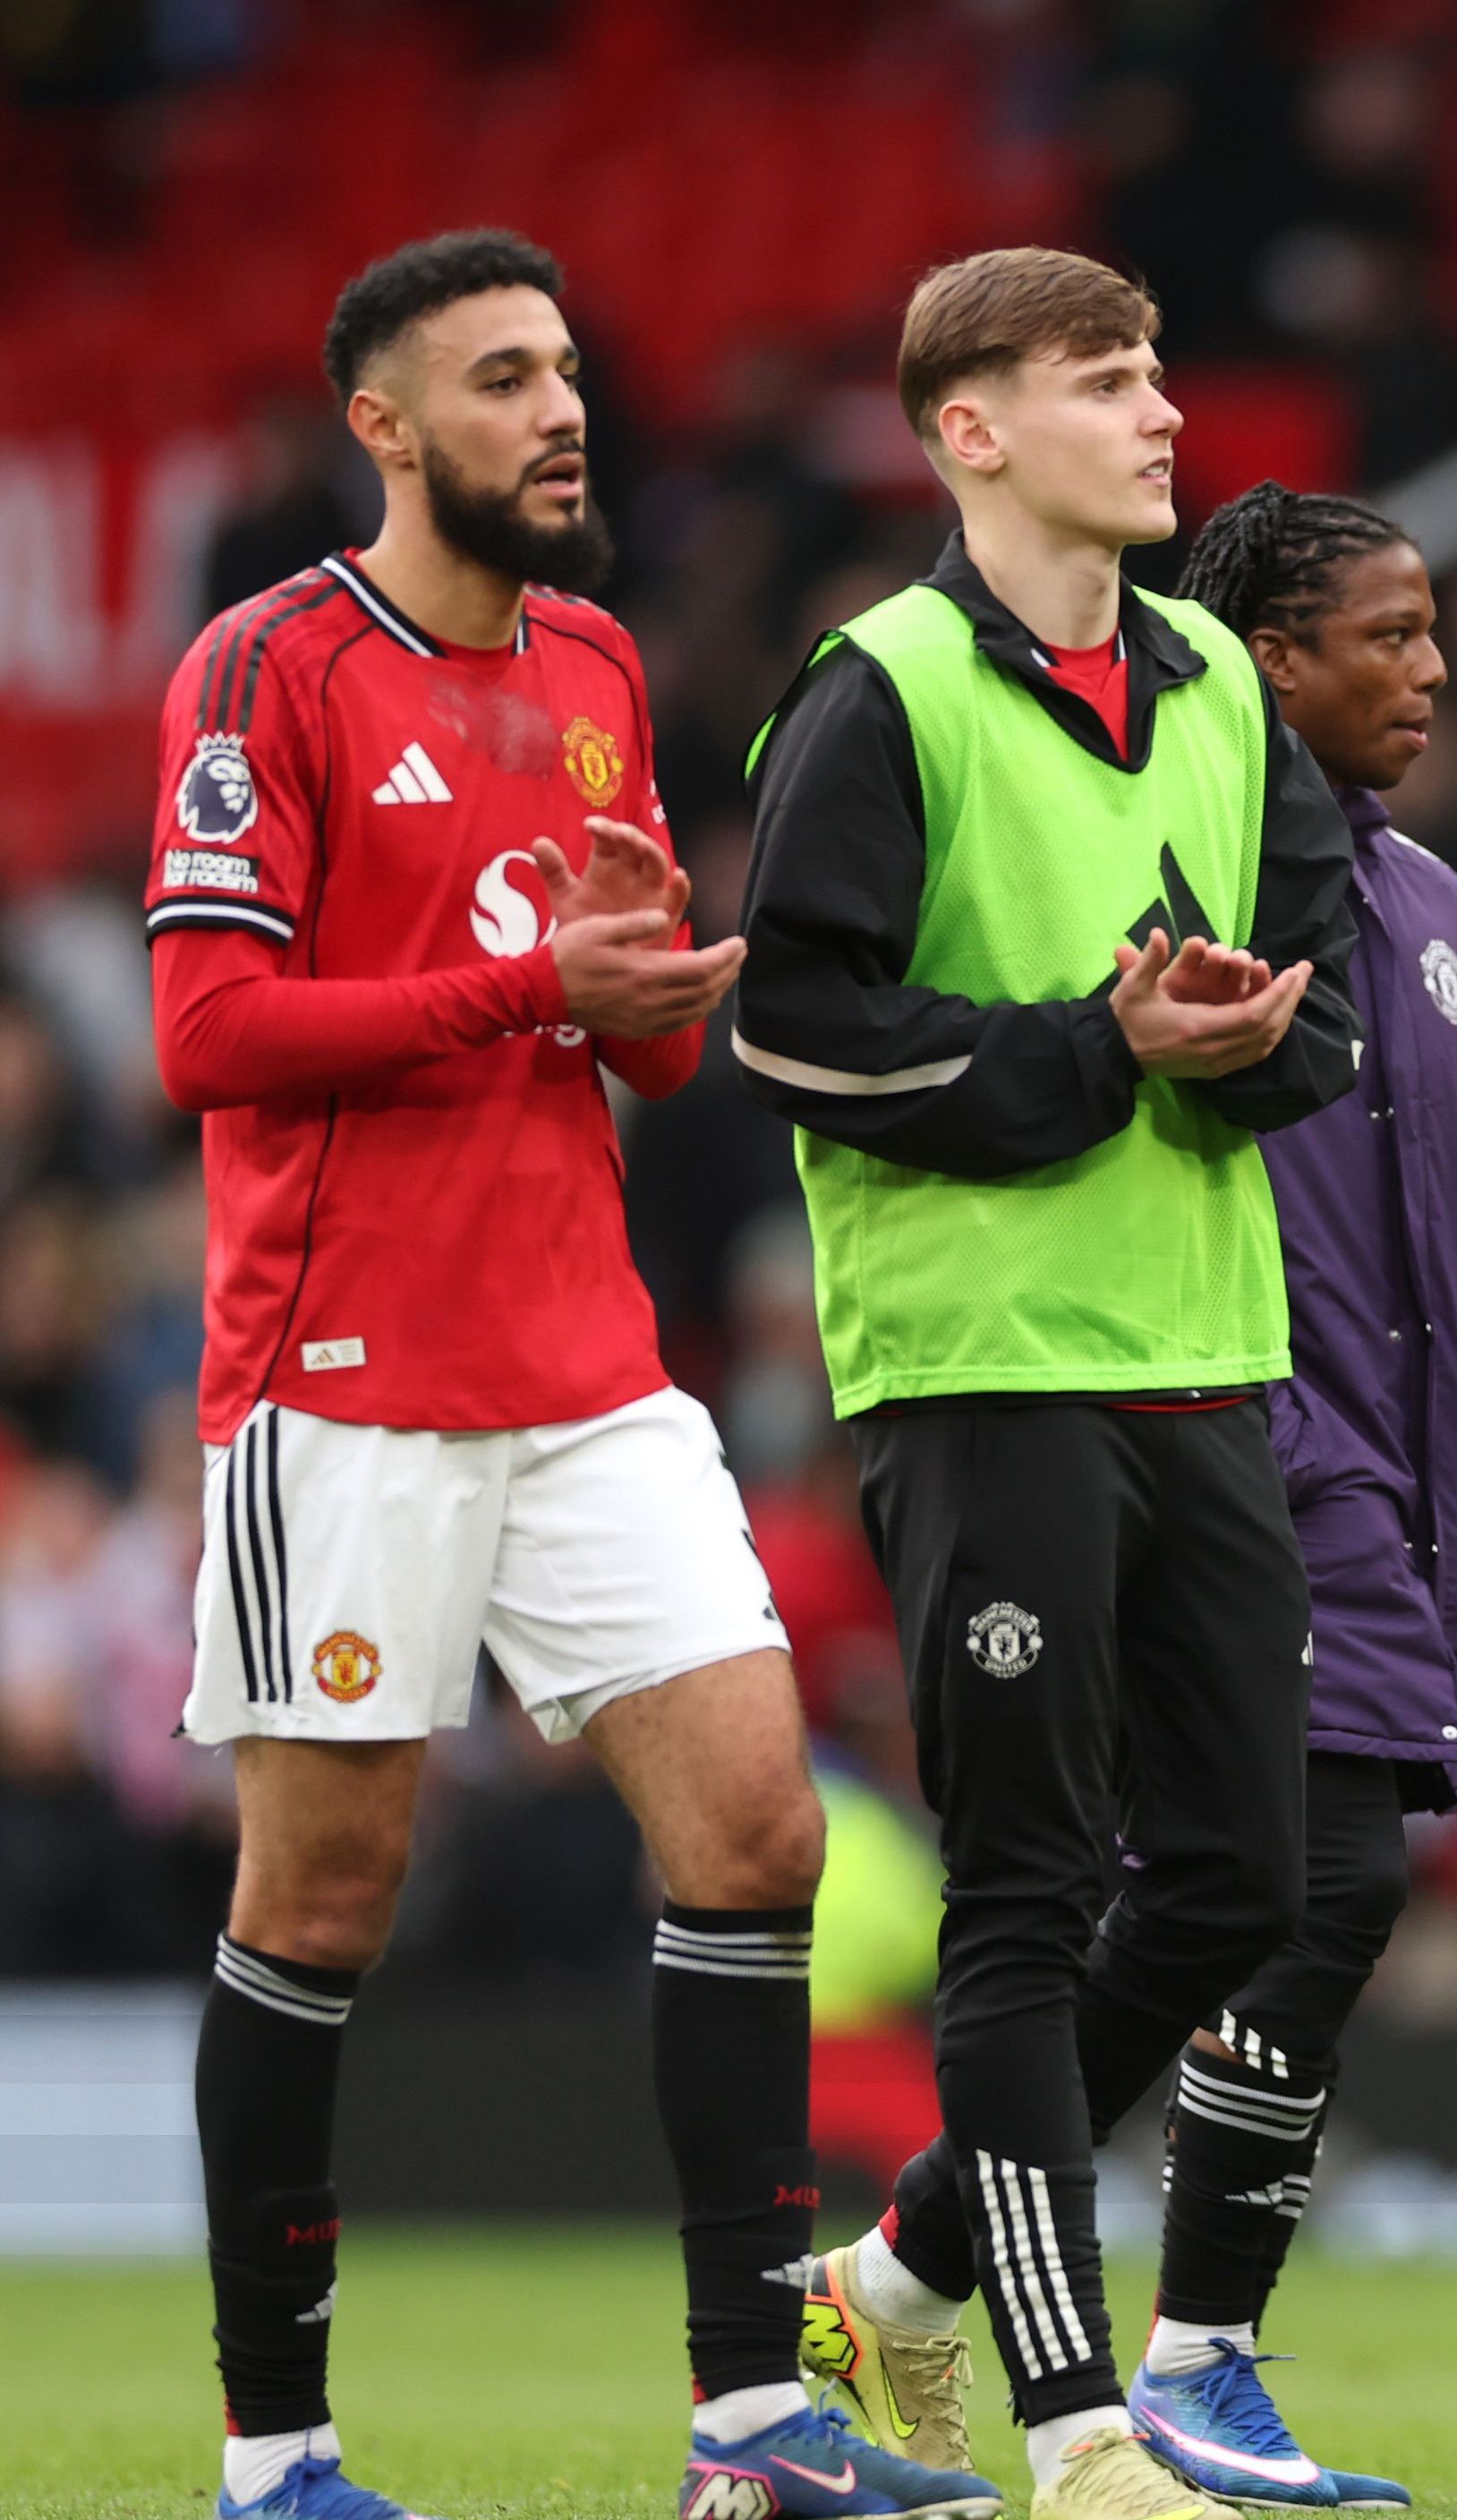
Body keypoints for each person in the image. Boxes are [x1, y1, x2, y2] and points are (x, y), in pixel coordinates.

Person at [146, 230, 992, 2520]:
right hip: (340, 1375)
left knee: (762, 1830)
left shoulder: (603, 660)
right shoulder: (267, 668)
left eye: (570, 372)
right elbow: (206, 1035)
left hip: (586, 1368)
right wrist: (524, 998)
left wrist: (631, 991)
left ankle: (748, 2426)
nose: (562, 409)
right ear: (391, 427)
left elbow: (633, 1043)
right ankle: (276, 2458)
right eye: (504, 379)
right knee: (322, 1898)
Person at [741, 246, 1364, 2520]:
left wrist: (1244, 1034)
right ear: (970, 432)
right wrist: (1108, 1043)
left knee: (1231, 1883)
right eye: (1106, 379)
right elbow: (790, 1025)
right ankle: (1081, 2430)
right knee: (1019, 1891)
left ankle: (896, 2285)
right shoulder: (879, 688)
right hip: (981, 1362)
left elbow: (1334, 1002)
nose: (1161, 411)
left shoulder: (1212, 678)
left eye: (1161, 364)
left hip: (1202, 1345)